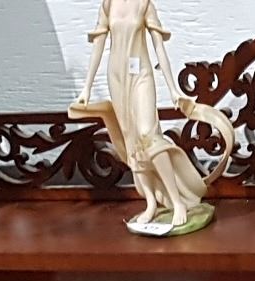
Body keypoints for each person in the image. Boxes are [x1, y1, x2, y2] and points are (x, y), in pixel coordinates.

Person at [71, 0, 233, 229]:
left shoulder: (144, 4)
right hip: (117, 77)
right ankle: (151, 203)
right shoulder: (107, 6)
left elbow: (159, 49)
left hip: (141, 75)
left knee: (149, 134)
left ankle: (177, 201)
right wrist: (86, 88)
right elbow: (98, 47)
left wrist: (173, 89)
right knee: (132, 143)